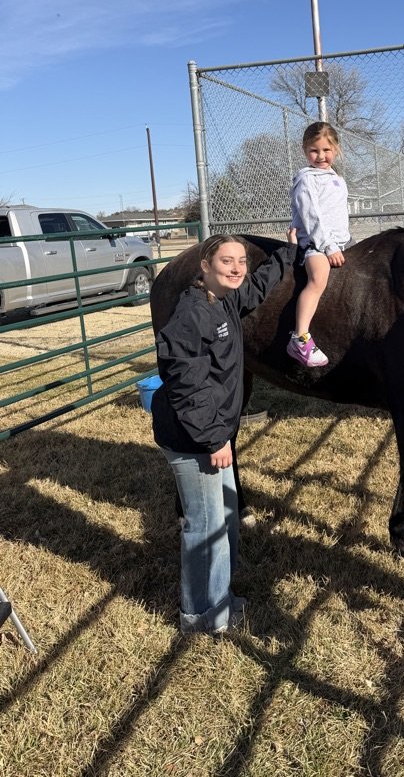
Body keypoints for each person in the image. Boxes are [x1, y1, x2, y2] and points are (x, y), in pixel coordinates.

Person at [151, 233, 296, 635]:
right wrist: (215, 439)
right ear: (204, 265)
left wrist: (288, 252)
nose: (236, 268)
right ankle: (201, 616)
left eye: (241, 261)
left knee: (226, 518)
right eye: (226, 261)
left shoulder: (224, 299)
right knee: (205, 525)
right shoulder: (192, 315)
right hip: (192, 437)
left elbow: (258, 288)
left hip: (212, 432)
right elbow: (186, 385)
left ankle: (221, 598)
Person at [286, 122, 351, 368]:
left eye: (327, 149)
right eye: (314, 150)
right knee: (318, 279)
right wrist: (327, 246)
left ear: (336, 149)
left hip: (341, 241)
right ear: (305, 150)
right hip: (316, 243)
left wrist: (341, 241)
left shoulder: (337, 178)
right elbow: (310, 214)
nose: (321, 156)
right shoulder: (306, 178)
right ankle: (300, 338)